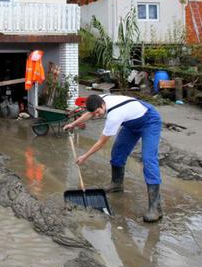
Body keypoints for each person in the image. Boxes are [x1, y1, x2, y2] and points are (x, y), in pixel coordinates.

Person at [63, 94, 163, 222]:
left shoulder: (114, 116)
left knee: (148, 160)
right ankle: (117, 184)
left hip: (149, 121)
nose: (97, 115)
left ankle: (156, 208)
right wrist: (73, 124)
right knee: (118, 152)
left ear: (102, 105)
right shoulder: (98, 99)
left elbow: (101, 142)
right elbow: (90, 113)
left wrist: (85, 156)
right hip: (131, 123)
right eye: (95, 113)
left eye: (98, 112)